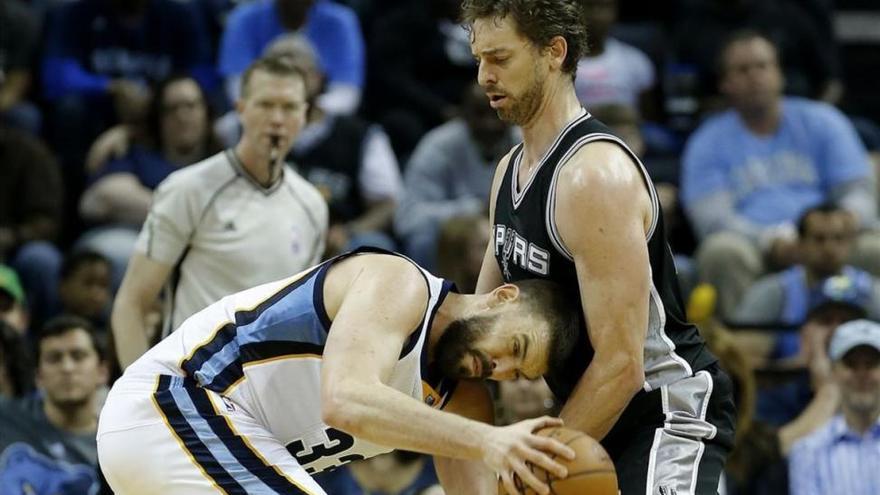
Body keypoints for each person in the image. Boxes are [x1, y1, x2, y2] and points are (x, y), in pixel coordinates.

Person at [460, 2, 736, 494]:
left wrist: (529, 468)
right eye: (479, 59)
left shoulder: (593, 176)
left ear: (554, 52)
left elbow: (622, 364)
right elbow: (476, 323)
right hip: (589, 411)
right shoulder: (508, 172)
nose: (485, 75)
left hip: (662, 411)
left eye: (500, 58)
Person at [98, 248, 581, 495]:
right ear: (502, 296)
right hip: (174, 404)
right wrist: (493, 443)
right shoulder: (401, 284)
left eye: (517, 374)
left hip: (216, 453)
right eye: (514, 346)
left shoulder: (462, 404)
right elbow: (346, 400)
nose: (499, 367)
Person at [111, 55, 328, 370]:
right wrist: (143, 394)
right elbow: (131, 303)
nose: (277, 119)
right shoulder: (188, 189)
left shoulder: (312, 206)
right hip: (196, 387)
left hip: (269, 395)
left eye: (290, 107)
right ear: (241, 110)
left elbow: (303, 319)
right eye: (266, 105)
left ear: (305, 115)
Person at [681, 31, 879, 320]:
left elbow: (859, 190)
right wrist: (769, 240)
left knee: (875, 248)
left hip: (830, 236)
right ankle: (739, 358)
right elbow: (713, 219)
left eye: (763, 66)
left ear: (780, 74)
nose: (755, 76)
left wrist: (841, 225)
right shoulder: (706, 142)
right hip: (756, 246)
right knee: (720, 251)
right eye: (743, 70)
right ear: (725, 83)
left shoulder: (824, 120)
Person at [734, 204, 880, 361]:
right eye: (819, 239)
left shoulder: (871, 292)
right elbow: (744, 366)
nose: (829, 248)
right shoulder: (771, 294)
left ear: (851, 243)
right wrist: (797, 366)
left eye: (838, 238)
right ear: (800, 243)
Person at [0, 316, 109, 494]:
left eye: (78, 356)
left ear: (102, 371)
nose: (67, 368)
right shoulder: (6, 417)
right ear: (38, 377)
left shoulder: (110, 450)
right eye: (54, 359)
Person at [788, 319, 880, 495]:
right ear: (833, 371)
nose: (862, 374)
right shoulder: (807, 451)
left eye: (871, 364)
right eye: (851, 364)